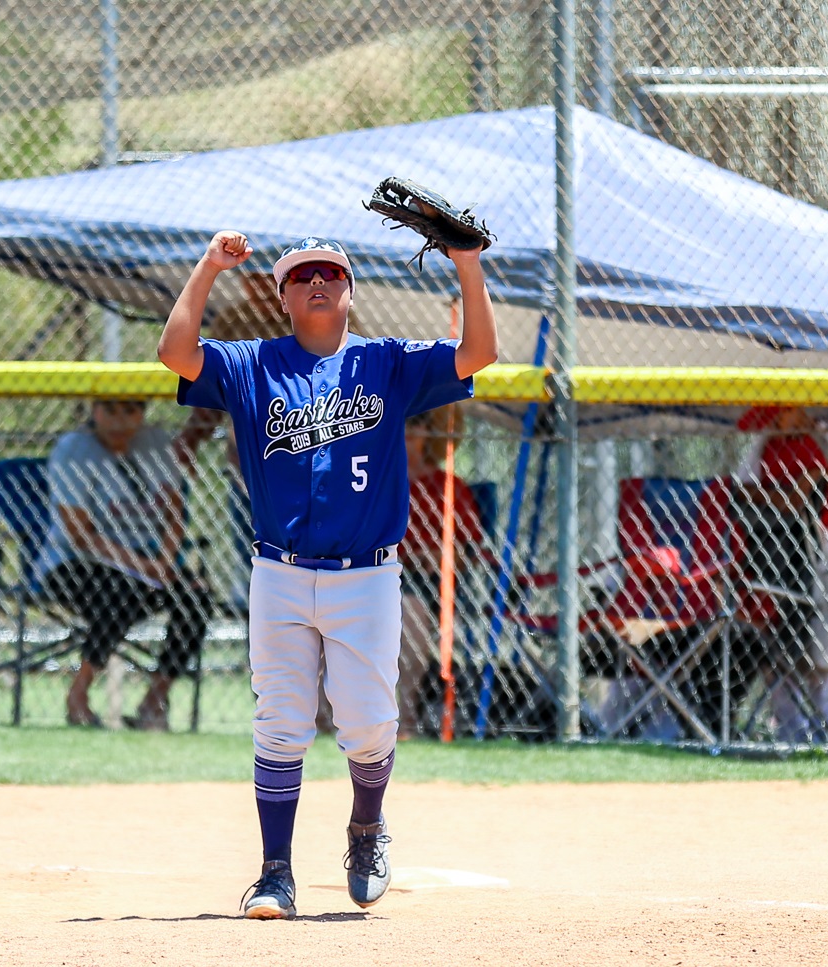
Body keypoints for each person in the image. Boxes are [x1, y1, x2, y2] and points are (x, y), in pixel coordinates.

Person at [158, 232, 497, 918]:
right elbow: (174, 353)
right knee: (280, 722)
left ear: (351, 291)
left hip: (366, 576)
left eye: (330, 272)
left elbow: (479, 353)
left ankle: (366, 827)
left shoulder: (386, 362)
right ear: (282, 296)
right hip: (278, 571)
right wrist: (209, 268)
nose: (317, 281)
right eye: (301, 275)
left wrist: (466, 262)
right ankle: (274, 872)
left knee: (368, 726)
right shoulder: (253, 364)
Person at [36, 399, 213, 730]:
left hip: (145, 563)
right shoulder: (74, 450)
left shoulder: (156, 444)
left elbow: (175, 514)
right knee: (121, 592)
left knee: (196, 597)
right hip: (74, 564)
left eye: (131, 411)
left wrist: (163, 562)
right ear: (94, 410)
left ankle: (154, 701)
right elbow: (80, 535)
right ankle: (79, 695)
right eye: (111, 410)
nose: (120, 421)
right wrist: (145, 568)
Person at [735, 406, 828, 743]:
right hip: (776, 554)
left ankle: (825, 731)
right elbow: (740, 490)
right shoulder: (767, 441)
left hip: (826, 548)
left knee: (825, 651)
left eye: (782, 413)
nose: (777, 421)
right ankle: (790, 734)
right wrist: (789, 493)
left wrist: (822, 475)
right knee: (779, 647)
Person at [398, 406, 485, 737]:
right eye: (403, 422)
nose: (409, 430)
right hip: (375, 571)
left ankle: (404, 718)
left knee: (412, 610)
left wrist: (425, 557)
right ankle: (323, 720)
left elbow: (461, 553)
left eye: (417, 422)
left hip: (425, 582)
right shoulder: (371, 480)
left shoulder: (450, 487)